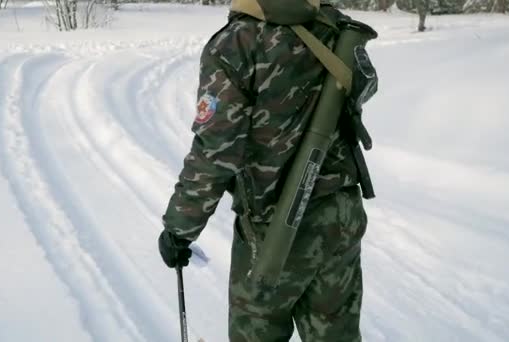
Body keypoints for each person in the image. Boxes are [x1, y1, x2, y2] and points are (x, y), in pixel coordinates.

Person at [158, 1, 374, 341]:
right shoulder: (334, 26)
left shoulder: (235, 43)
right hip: (341, 217)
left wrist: (179, 228)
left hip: (276, 228)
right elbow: (364, 90)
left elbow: (215, 152)